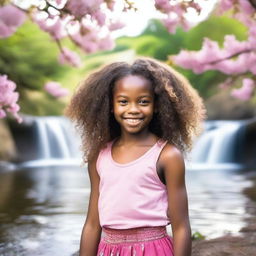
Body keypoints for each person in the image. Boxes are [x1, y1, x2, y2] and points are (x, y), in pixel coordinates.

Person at [66, 57, 206, 256]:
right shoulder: (99, 156)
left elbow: (181, 226)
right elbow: (92, 224)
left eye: (143, 102)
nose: (133, 109)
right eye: (123, 101)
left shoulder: (167, 156)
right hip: (109, 250)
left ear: (157, 105)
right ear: (111, 106)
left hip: (154, 250)